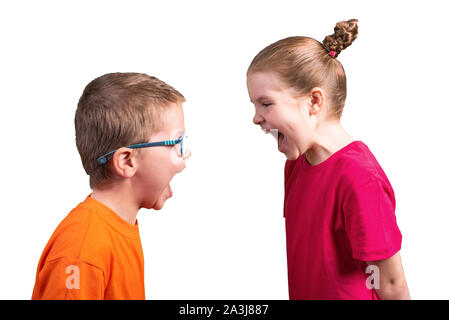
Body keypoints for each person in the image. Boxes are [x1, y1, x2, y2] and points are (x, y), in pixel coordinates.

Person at [246, 19, 410, 300]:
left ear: (314, 102)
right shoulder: (296, 164)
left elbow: (392, 285)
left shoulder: (359, 180)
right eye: (255, 105)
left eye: (266, 103)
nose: (256, 117)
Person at [32, 72, 190, 299]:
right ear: (126, 161)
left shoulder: (116, 228)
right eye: (176, 143)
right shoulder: (82, 249)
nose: (185, 156)